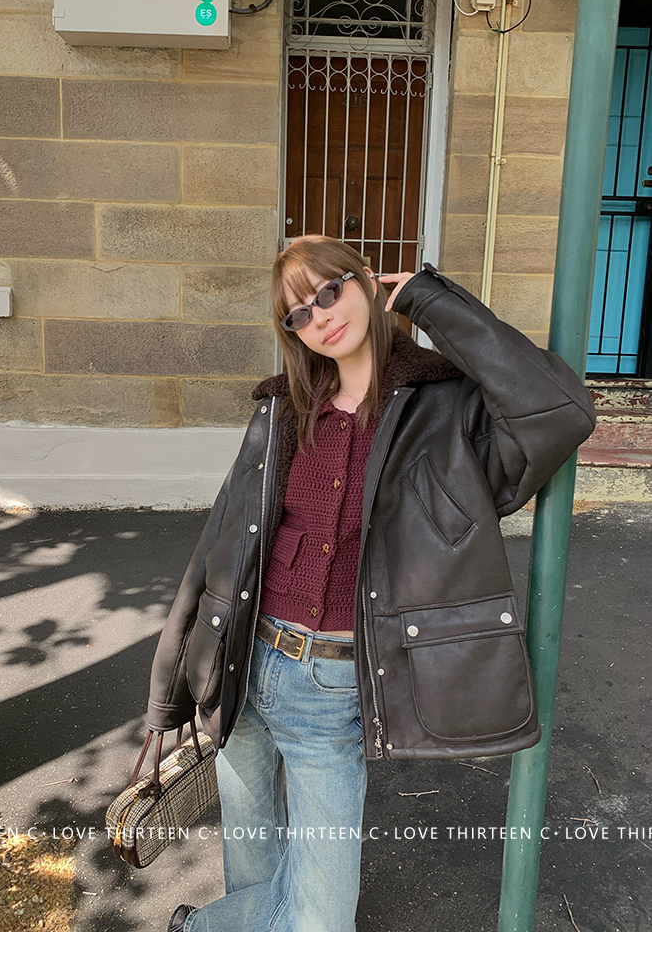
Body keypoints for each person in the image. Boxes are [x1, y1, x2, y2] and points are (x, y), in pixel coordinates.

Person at [145, 234, 596, 932]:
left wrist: (429, 298)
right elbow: (220, 546)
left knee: (321, 923)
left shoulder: (449, 412)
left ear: (366, 281)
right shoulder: (284, 410)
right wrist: (167, 694)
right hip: (242, 667)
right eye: (299, 313)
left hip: (330, 691)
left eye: (330, 290)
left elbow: (559, 410)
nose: (321, 316)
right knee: (255, 869)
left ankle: (196, 932)